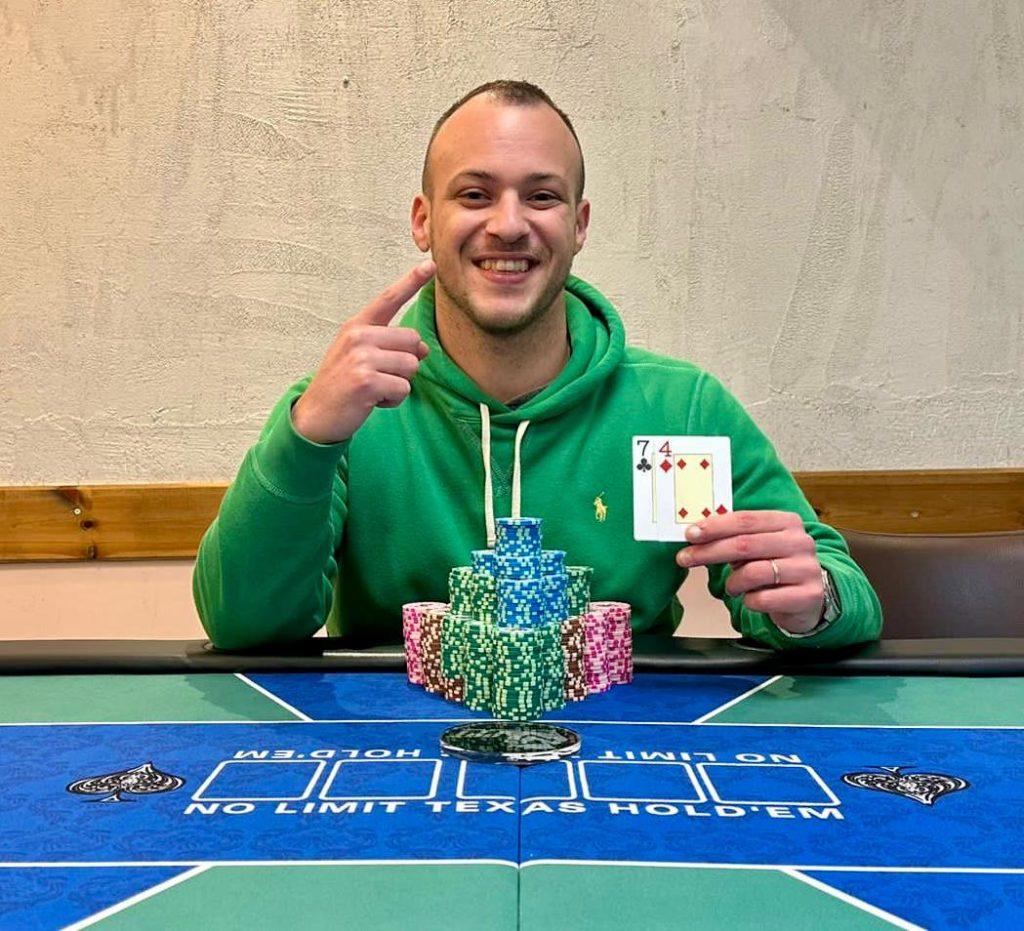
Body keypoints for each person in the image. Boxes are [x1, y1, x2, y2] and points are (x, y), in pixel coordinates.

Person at [193, 80, 882, 652]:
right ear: (423, 221)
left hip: (622, 745)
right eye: (474, 194)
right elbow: (242, 625)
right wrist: (308, 436)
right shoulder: (346, 407)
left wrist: (811, 602)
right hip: (396, 750)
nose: (509, 224)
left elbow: (846, 596)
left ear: (579, 224)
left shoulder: (680, 409)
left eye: (542, 196)